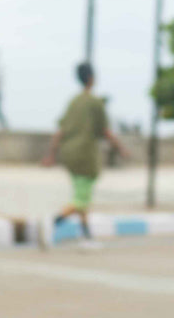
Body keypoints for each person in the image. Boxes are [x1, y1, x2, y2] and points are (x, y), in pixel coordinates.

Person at [40, 62, 127, 247]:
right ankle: (53, 221)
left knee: (81, 195)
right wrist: (121, 148)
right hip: (85, 155)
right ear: (91, 78)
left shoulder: (73, 102)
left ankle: (86, 237)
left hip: (69, 154)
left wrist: (51, 155)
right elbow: (105, 131)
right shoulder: (95, 103)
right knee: (81, 200)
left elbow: (60, 131)